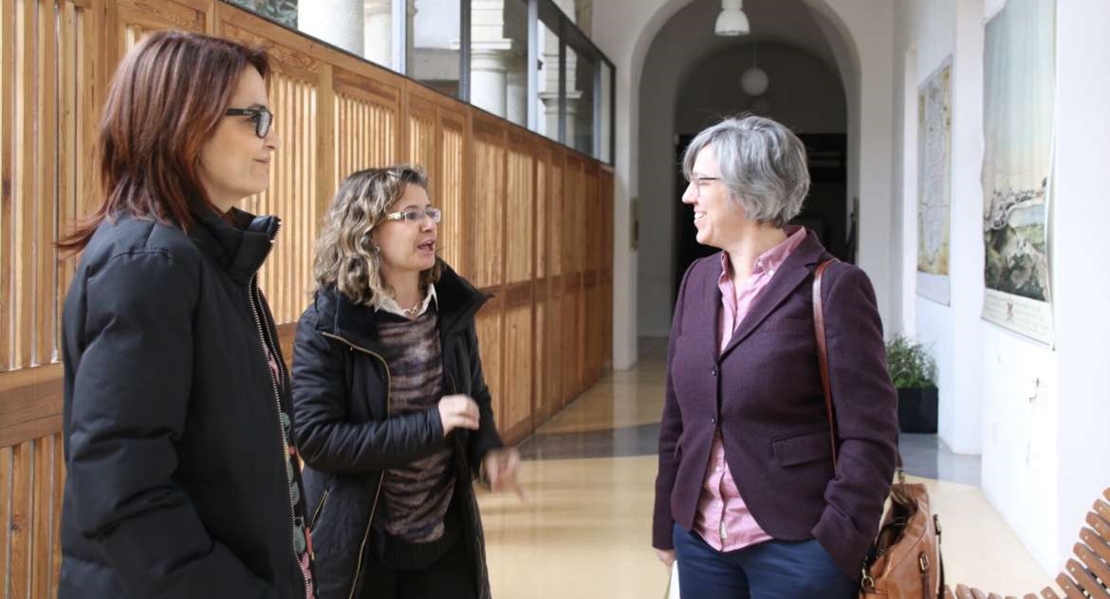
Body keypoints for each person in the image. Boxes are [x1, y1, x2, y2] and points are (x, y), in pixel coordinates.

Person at [57, 30, 316, 598]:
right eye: (254, 119)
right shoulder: (150, 264)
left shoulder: (215, 258)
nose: (271, 140)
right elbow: (124, 496)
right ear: (185, 123)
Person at [651, 115, 898, 598]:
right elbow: (677, 419)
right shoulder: (698, 282)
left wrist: (836, 543)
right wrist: (667, 522)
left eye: (702, 182)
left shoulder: (835, 286)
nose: (688, 197)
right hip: (701, 541)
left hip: (798, 548)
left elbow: (871, 433)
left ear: (750, 189)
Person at [292, 165, 521, 599]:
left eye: (430, 211)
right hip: (360, 542)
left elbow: (474, 398)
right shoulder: (327, 324)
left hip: (445, 537)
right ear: (368, 232)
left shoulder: (450, 310)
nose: (429, 223)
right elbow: (317, 440)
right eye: (411, 215)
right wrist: (429, 426)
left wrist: (487, 450)